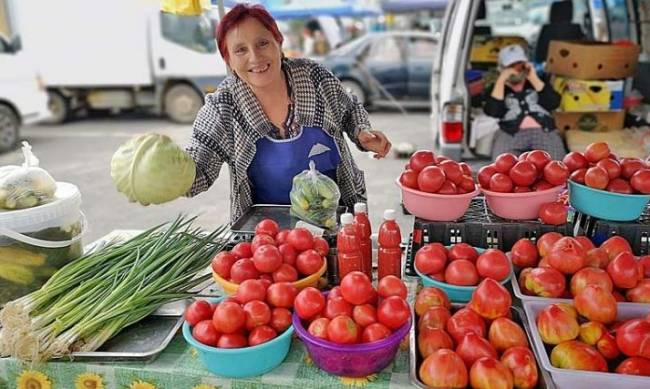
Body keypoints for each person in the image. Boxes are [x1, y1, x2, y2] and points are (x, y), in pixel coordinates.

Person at [185, 4, 391, 223]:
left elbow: (349, 109)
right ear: (228, 60)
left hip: (336, 220)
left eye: (262, 43)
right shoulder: (223, 107)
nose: (255, 57)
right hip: (266, 237)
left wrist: (362, 133)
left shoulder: (313, 77)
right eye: (240, 50)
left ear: (279, 43)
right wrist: (160, 179)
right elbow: (198, 168)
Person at [484, 44, 566, 160]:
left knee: (556, 166)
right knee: (501, 164)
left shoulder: (538, 82)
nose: (516, 69)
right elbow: (493, 111)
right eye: (510, 66)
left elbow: (553, 103)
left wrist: (533, 77)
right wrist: (502, 80)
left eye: (519, 65)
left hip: (544, 130)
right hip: (510, 132)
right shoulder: (497, 88)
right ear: (502, 68)